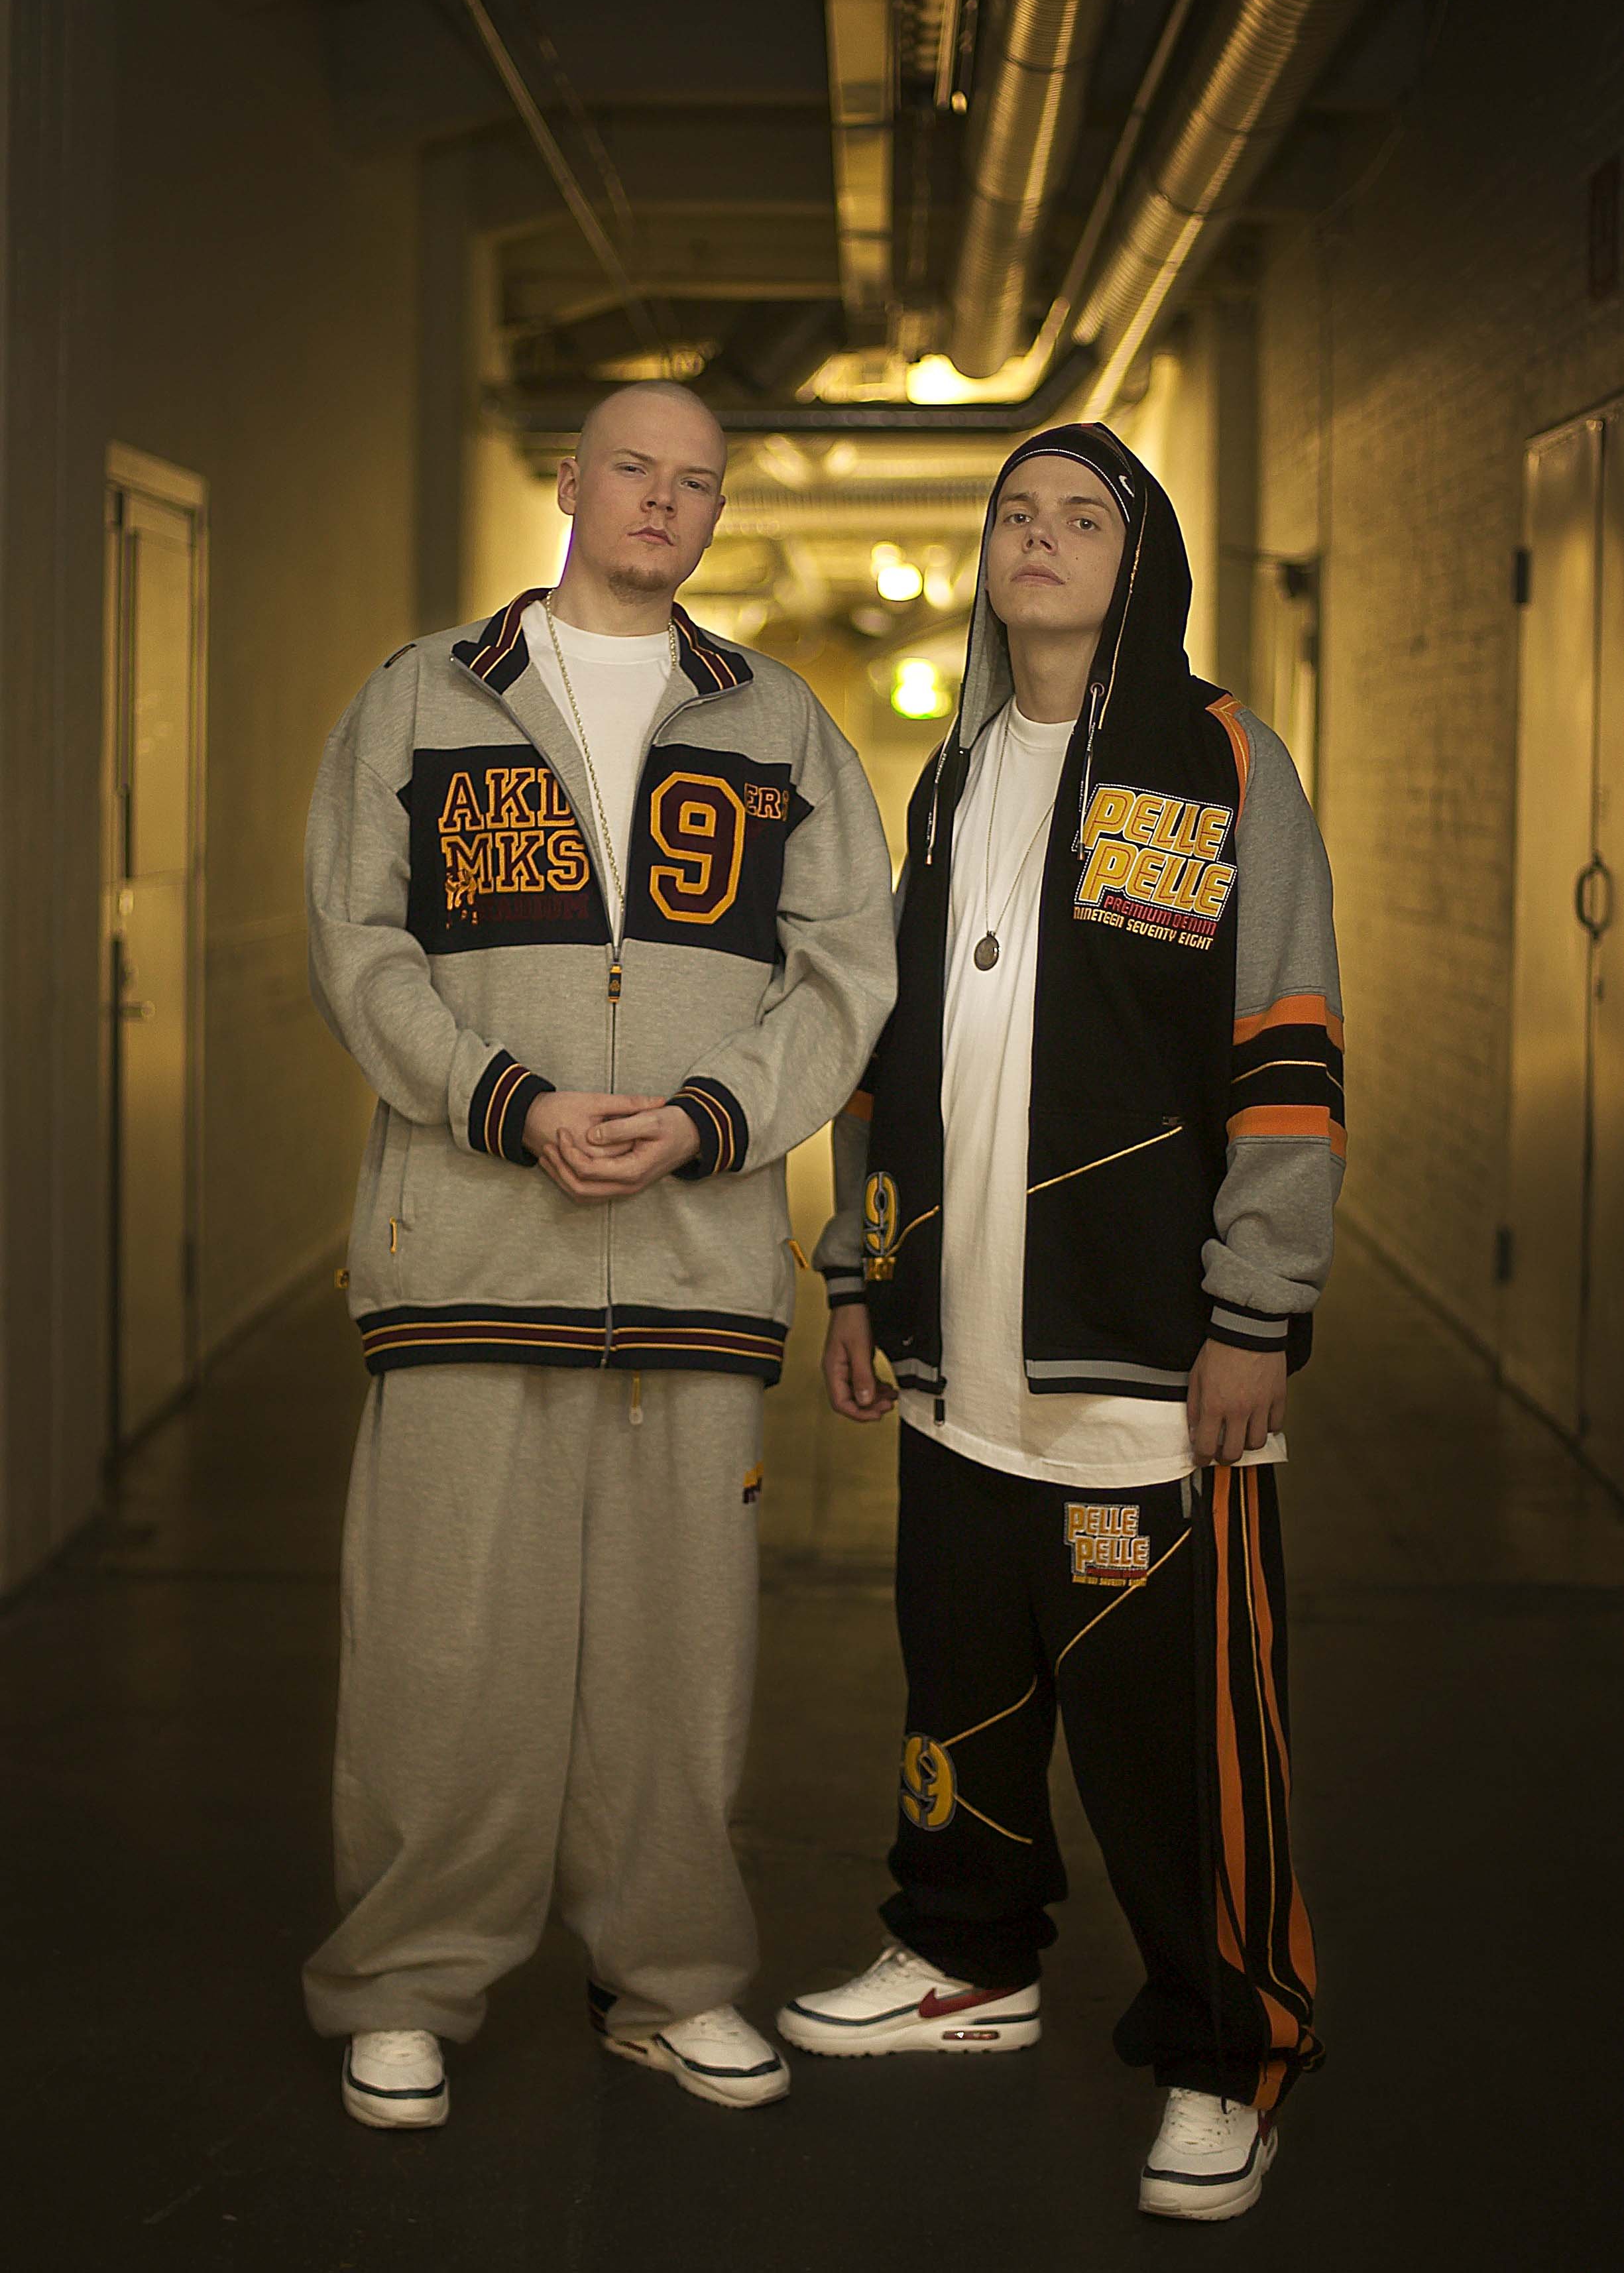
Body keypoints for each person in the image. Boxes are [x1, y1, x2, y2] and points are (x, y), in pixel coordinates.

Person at [302, 380, 895, 2128]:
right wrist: (503, 1100)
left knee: (676, 1660)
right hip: (469, 1244)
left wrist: (716, 1116)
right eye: (634, 468)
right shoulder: (425, 697)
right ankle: (404, 1984)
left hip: (692, 1259)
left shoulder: (778, 723)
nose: (662, 501)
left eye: (696, 482)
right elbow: (358, 946)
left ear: (714, 514)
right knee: (440, 1650)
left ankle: (674, 1981)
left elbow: (846, 972)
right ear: (569, 483)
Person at [781, 422, 1342, 2223]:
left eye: (1080, 515)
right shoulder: (949, 778)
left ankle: (1225, 2053)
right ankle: (965, 1960)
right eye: (1013, 513)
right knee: (964, 1696)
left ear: (1137, 557)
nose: (1037, 537)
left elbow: (1285, 1046)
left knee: (1175, 1747)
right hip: (959, 1363)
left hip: (1145, 1361)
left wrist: (1256, 1308)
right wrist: (858, 1272)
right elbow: (889, 1054)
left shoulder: (1224, 762)